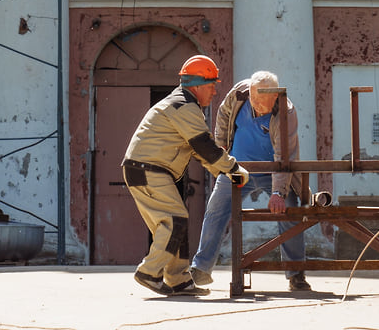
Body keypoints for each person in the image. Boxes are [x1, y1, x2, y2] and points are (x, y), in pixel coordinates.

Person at [122, 54, 250, 296]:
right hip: (148, 169)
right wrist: (233, 169)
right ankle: (149, 272)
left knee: (174, 222)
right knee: (175, 220)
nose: (214, 93)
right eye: (212, 86)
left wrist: (221, 171)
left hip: (146, 169)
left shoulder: (182, 104)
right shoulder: (185, 107)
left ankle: (178, 280)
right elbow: (204, 146)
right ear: (198, 85)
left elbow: (197, 151)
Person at [190, 70, 311, 291]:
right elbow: (223, 115)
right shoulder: (240, 93)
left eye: (262, 102)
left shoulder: (286, 111)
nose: (256, 105)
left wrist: (278, 193)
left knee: (290, 212)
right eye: (254, 99)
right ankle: (200, 269)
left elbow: (285, 155)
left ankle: (296, 275)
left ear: (274, 97)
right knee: (216, 210)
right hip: (237, 168)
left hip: (272, 172)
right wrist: (221, 146)